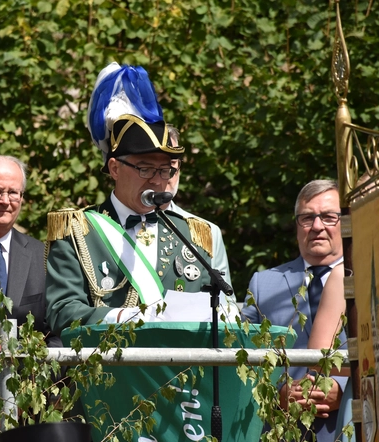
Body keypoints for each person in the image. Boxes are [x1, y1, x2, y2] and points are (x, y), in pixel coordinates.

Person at [45, 62, 237, 335]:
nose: (159, 180)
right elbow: (62, 312)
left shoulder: (198, 234)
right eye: (146, 168)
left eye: (168, 169)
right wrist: (129, 317)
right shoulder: (76, 230)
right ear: (115, 168)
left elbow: (228, 315)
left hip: (187, 373)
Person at [241, 179, 348, 442]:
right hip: (283, 437)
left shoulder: (370, 276)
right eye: (307, 218)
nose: (317, 226)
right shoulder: (263, 285)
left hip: (350, 430)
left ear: (346, 221)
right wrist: (278, 392)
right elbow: (241, 361)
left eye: (328, 217)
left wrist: (345, 389)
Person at [0, 154, 62, 348]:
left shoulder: (43, 256)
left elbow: (57, 332)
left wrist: (35, 377)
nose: (5, 200)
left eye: (13, 193)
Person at [160, 124, 235, 303]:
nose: (165, 175)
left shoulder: (206, 231)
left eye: (171, 165)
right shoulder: (101, 223)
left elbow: (225, 310)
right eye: (153, 166)